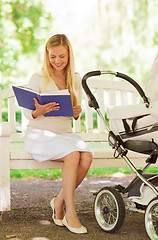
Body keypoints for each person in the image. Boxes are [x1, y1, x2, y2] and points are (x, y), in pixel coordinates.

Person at [23, 34, 92, 234]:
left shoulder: (75, 79)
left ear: (69, 54)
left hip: (64, 134)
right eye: (53, 57)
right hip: (40, 135)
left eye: (61, 56)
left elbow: (74, 112)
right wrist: (39, 111)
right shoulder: (38, 78)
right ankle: (70, 211)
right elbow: (28, 113)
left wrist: (77, 112)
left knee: (86, 156)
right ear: (47, 55)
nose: (57, 61)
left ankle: (58, 200)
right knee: (73, 155)